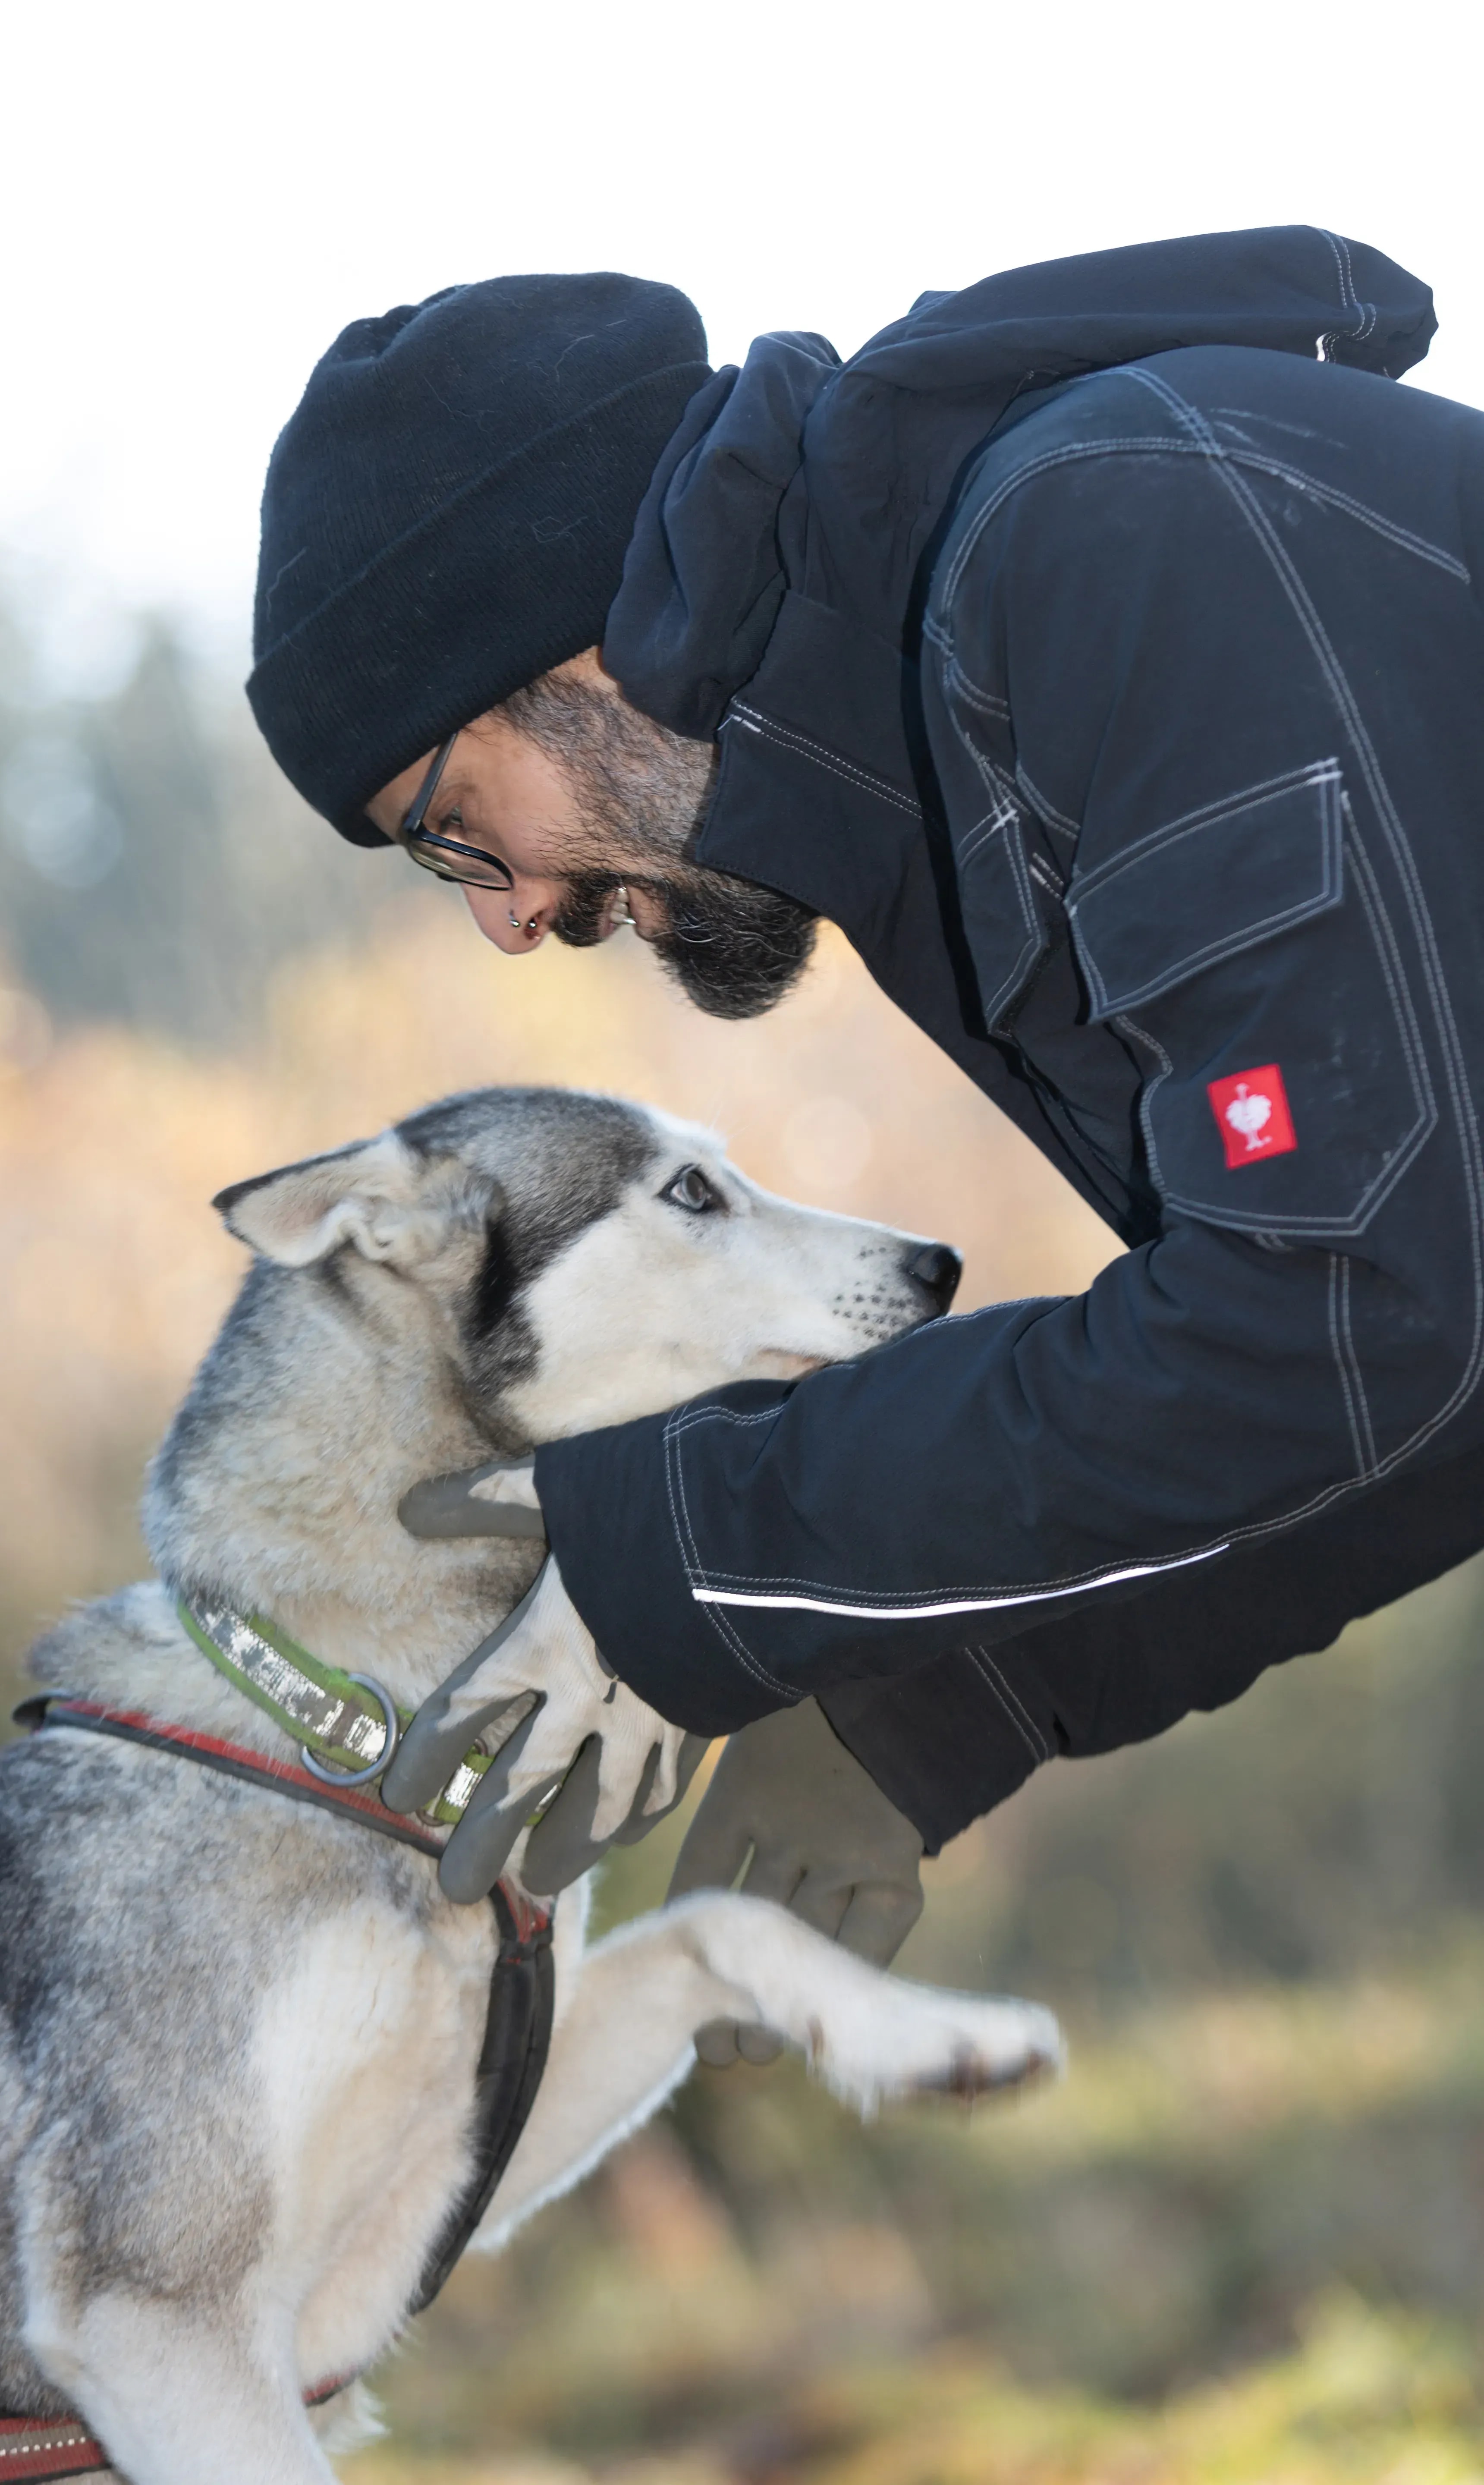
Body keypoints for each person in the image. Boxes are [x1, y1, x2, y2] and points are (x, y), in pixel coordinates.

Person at [244, 230, 1484, 2054]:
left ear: (561, 651)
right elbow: (1417, 1366)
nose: (503, 921)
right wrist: (950, 1696)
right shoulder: (936, 775)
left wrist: (685, 1548)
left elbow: (1357, 1305)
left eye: (447, 831)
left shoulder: (1103, 545)